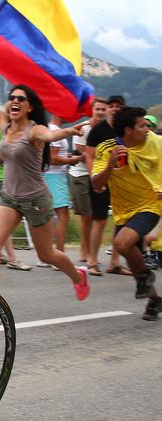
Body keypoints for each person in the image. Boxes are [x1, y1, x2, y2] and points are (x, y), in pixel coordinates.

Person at [0, 50, 89, 318]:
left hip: (36, 200)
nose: (15, 101)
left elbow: (52, 134)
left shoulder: (35, 131)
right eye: (12, 98)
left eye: (21, 98)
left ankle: (78, 275)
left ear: (30, 107)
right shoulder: (5, 124)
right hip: (9, 197)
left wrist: (70, 131)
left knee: (46, 255)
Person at [91, 106, 162, 320]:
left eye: (148, 125)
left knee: (121, 244)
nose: (148, 129)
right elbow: (96, 184)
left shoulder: (157, 143)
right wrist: (110, 166)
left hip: (150, 205)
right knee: (132, 255)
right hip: (124, 211)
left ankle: (144, 277)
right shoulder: (107, 149)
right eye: (143, 125)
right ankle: (154, 299)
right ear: (128, 130)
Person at [85, 95, 131, 276]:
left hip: (121, 181)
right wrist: (93, 177)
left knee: (121, 220)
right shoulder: (98, 130)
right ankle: (92, 261)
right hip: (101, 179)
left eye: (117, 106)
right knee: (100, 220)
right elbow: (89, 155)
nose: (113, 109)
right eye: (111, 106)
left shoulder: (125, 131)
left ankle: (114, 263)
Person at [39, 114, 83, 263]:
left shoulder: (52, 130)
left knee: (51, 217)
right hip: (55, 177)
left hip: (52, 176)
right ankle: (58, 255)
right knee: (63, 216)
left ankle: (48, 254)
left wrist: (68, 158)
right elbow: (52, 159)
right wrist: (72, 160)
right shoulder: (53, 130)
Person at [71, 97, 107, 273]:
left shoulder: (105, 130)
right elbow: (81, 151)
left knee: (93, 215)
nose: (100, 112)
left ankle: (87, 249)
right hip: (81, 174)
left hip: (96, 175)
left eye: (103, 109)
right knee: (86, 215)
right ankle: (84, 249)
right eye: (97, 109)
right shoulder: (85, 129)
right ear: (92, 111)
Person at [0, 125, 32, 271]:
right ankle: (12, 258)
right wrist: (17, 154)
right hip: (1, 178)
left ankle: (0, 253)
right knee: (6, 221)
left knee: (6, 220)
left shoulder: (20, 131)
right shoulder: (0, 131)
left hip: (14, 179)